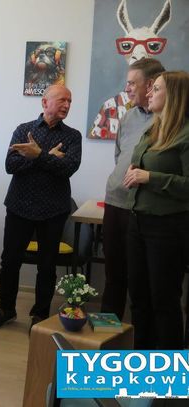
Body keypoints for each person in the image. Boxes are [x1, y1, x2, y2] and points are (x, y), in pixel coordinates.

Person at [0, 85, 81, 332]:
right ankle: (6, 309)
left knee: (47, 266)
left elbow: (68, 169)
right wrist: (47, 156)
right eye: (62, 100)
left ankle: (40, 314)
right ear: (45, 103)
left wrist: (36, 155)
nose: (67, 105)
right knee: (10, 261)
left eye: (70, 101)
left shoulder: (73, 136)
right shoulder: (23, 130)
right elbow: (10, 165)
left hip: (54, 210)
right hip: (19, 206)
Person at [123, 70, 189, 350]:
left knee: (164, 302)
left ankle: (168, 372)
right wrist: (135, 170)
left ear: (174, 96)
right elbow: (140, 164)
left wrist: (150, 177)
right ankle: (142, 363)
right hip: (138, 222)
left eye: (157, 89)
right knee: (139, 299)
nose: (149, 93)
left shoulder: (185, 134)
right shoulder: (153, 130)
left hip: (167, 228)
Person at [101, 58, 165, 320]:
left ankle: (142, 337)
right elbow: (120, 156)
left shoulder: (169, 120)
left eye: (131, 83)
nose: (126, 88)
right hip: (114, 202)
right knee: (113, 273)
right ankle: (107, 332)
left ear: (150, 85)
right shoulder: (128, 116)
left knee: (140, 279)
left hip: (141, 208)